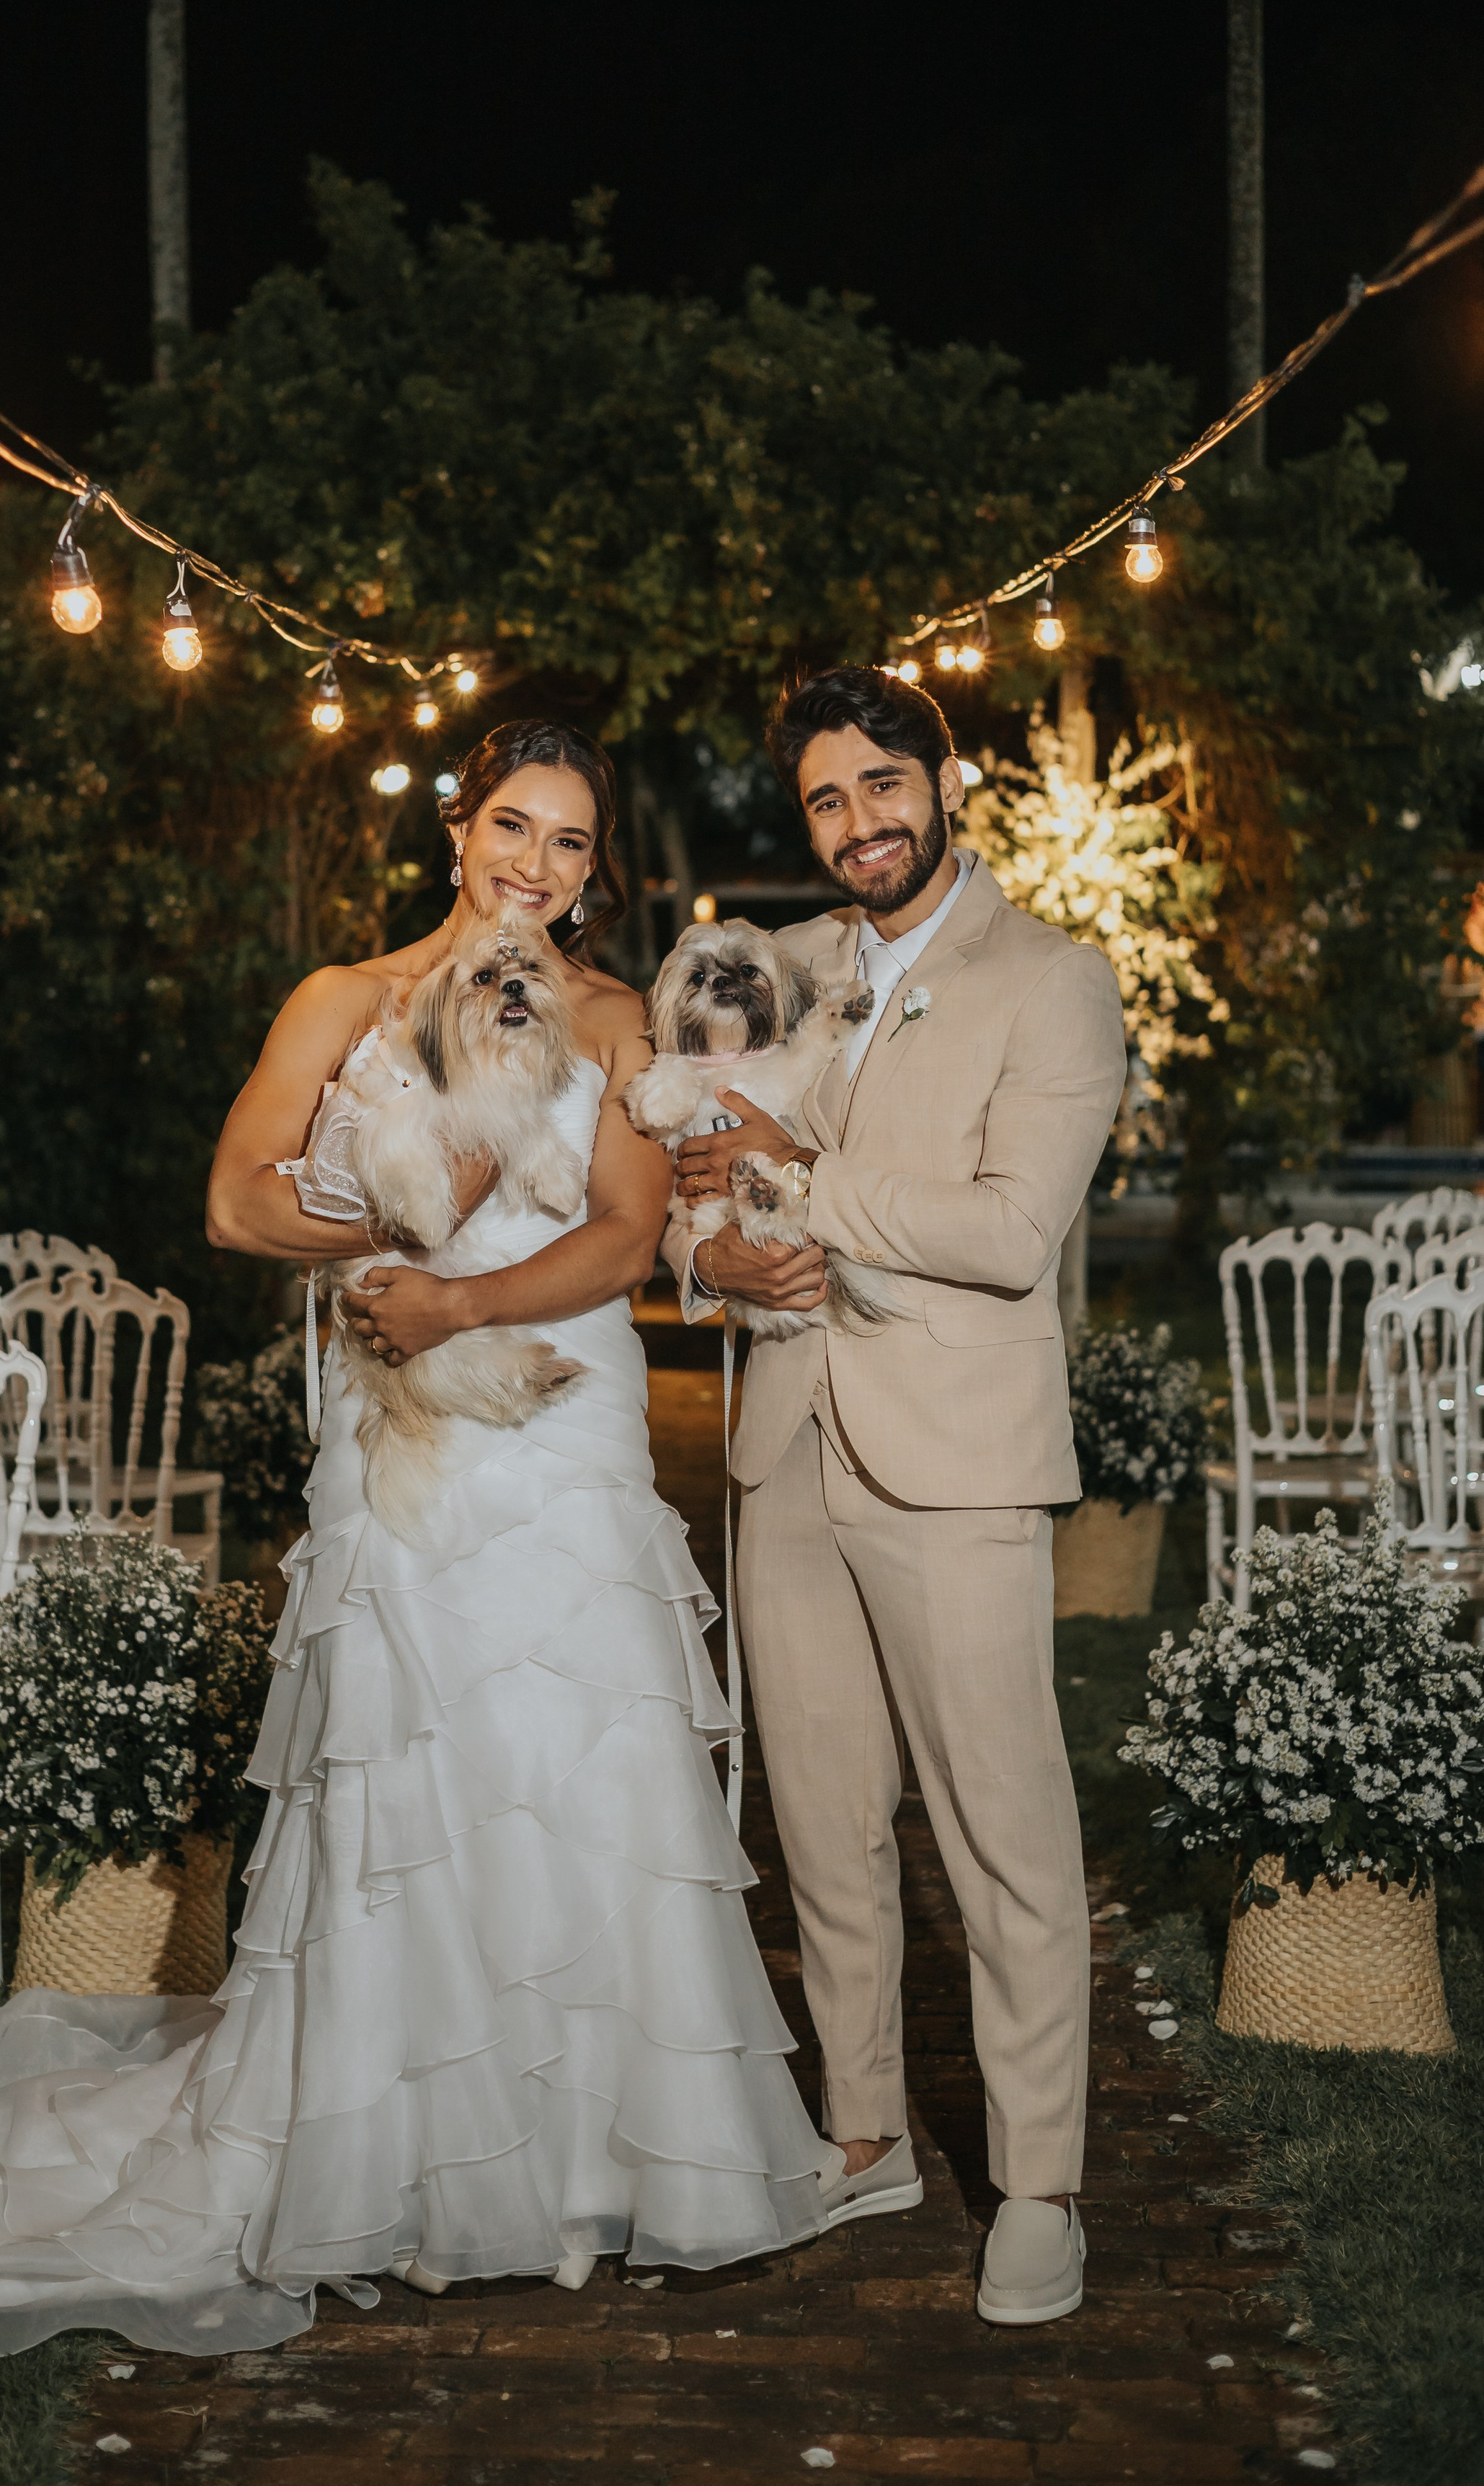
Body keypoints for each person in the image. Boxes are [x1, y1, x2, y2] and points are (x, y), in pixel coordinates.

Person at [0, 716, 834, 2361]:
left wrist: (461, 1298)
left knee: (587, 1755)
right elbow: (235, 1201)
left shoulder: (619, 1017)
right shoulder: (343, 1000)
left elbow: (628, 1237)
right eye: (512, 824)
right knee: (407, 1767)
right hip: (399, 1442)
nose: (536, 865)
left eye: (568, 841)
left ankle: (598, 2165)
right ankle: (399, 2157)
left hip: (564, 1421)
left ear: (591, 869)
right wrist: (408, 1215)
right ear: (459, 828)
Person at [669, 665, 1126, 2328]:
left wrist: (803, 1189)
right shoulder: (784, 968)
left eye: (881, 784)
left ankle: (1040, 2185)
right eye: (824, 798)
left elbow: (1009, 1233)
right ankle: (862, 2133)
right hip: (788, 1443)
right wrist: (713, 1255)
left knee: (1001, 1834)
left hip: (954, 1457)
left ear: (945, 780)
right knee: (822, 1822)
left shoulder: (1051, 982)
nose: (857, 821)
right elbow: (692, 1179)